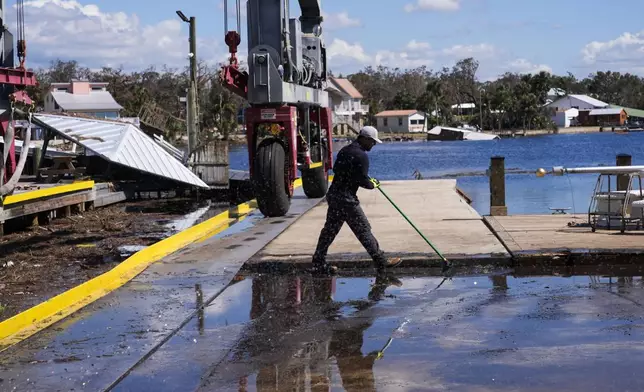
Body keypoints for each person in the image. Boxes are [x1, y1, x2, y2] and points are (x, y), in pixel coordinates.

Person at [312, 126, 402, 275]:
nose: (373, 145)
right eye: (372, 142)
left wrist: (361, 178)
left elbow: (336, 170)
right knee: (363, 229)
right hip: (347, 200)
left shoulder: (344, 151)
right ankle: (381, 261)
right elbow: (363, 181)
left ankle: (318, 262)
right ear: (364, 139)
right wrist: (373, 183)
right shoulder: (361, 156)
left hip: (334, 195)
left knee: (329, 230)